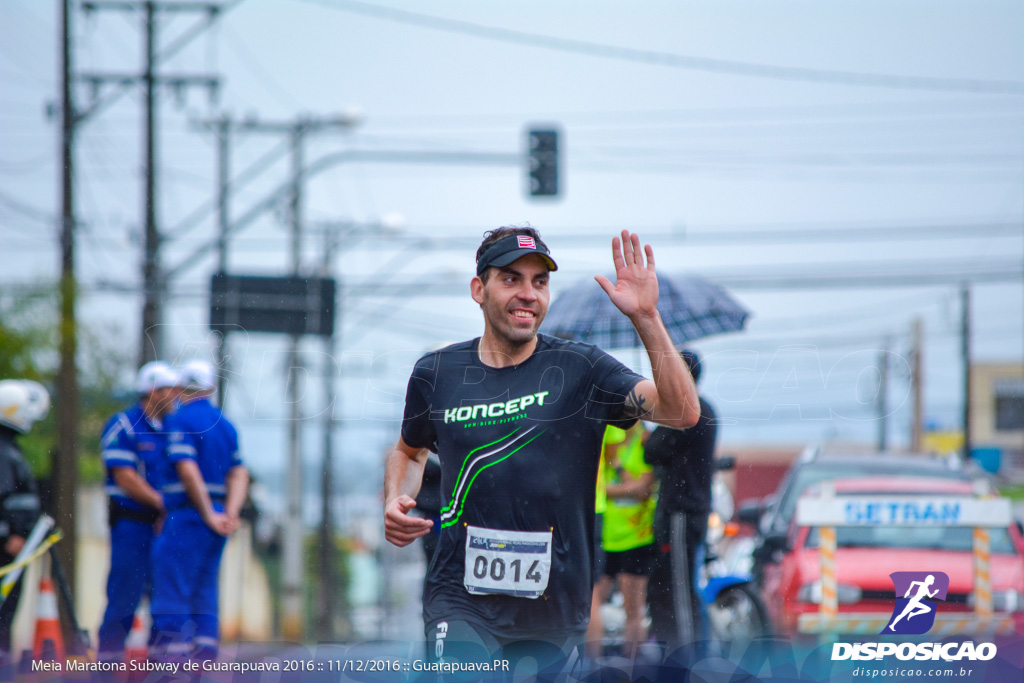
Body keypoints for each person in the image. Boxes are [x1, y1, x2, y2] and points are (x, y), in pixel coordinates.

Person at [384, 227, 700, 678]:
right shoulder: (437, 373)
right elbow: (409, 451)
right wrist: (395, 497)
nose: (528, 293)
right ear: (479, 289)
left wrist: (647, 317)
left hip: (554, 605)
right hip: (458, 597)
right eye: (511, 279)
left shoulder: (581, 368)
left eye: (539, 282)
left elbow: (682, 411)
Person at [150, 360, 248, 662]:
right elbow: (239, 473)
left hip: (189, 515)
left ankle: (172, 663)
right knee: (205, 588)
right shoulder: (225, 424)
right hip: (218, 518)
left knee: (173, 588)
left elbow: (187, 468)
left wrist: (206, 513)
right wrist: (229, 513)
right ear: (210, 388)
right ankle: (204, 657)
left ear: (180, 389)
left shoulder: (179, 421)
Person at [97, 361, 180, 663]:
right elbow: (125, 476)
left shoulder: (173, 428)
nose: (177, 395)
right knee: (124, 598)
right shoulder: (124, 424)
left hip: (164, 527)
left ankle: (158, 667)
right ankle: (107, 665)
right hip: (133, 526)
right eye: (171, 389)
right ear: (153, 391)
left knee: (165, 601)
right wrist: (163, 503)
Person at [644, 350, 717, 650]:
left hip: (681, 513)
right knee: (667, 586)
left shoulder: (689, 410)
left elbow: (652, 452)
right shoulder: (698, 408)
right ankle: (673, 654)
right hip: (685, 511)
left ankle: (687, 659)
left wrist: (648, 432)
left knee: (678, 590)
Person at [588, 422, 655, 660]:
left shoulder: (644, 442)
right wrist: (625, 487)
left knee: (633, 608)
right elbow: (615, 486)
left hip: (636, 536)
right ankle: (595, 661)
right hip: (609, 535)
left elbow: (645, 487)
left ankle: (632, 666)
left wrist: (610, 489)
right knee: (593, 599)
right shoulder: (609, 444)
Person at [0, 379, 47, 655]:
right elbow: (8, 499)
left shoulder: (8, 448)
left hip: (9, 544)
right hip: (7, 548)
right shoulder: (5, 452)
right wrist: (13, 534)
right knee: (4, 613)